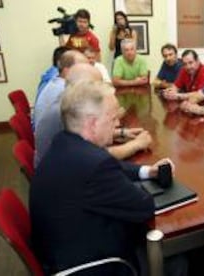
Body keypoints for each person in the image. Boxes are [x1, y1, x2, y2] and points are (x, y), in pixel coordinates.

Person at [30, 80, 172, 275]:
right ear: (92, 123)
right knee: (175, 261)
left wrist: (146, 171)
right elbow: (144, 207)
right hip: (95, 266)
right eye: (113, 118)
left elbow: (107, 164)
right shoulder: (94, 165)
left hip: (61, 250)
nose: (118, 124)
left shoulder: (64, 143)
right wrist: (130, 189)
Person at [35, 62, 152, 168]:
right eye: (96, 85)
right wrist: (136, 145)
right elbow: (96, 157)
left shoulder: (66, 102)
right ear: (81, 87)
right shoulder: (66, 111)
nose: (101, 89)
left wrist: (119, 133)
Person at [33, 50, 88, 134]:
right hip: (52, 144)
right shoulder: (65, 91)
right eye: (82, 67)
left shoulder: (56, 82)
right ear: (67, 71)